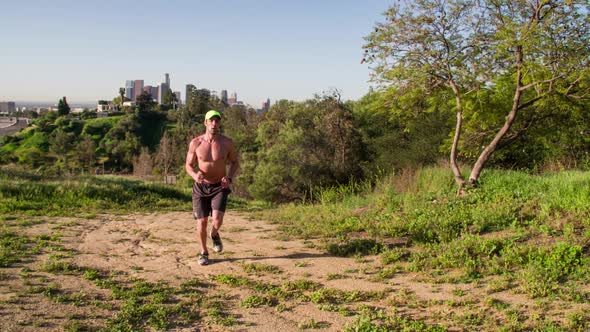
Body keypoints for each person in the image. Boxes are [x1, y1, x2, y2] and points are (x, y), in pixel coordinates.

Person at [185, 110, 239, 266]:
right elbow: (188, 165)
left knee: (217, 220)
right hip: (201, 187)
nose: (214, 123)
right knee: (201, 221)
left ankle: (214, 234)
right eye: (211, 120)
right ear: (205, 123)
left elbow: (235, 162)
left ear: (220, 123)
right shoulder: (196, 143)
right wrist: (195, 175)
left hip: (219, 187)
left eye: (217, 121)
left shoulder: (226, 143)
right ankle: (204, 252)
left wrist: (229, 177)